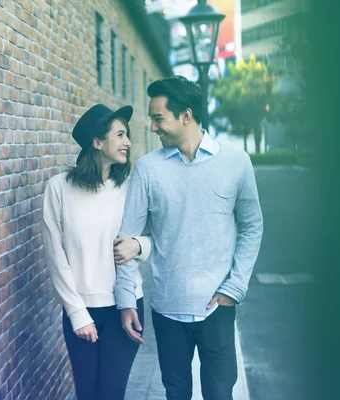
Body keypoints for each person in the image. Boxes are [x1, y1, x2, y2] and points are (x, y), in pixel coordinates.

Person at [115, 76, 263, 400]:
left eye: (158, 119)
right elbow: (126, 241)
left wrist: (235, 286)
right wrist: (126, 300)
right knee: (176, 393)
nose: (153, 128)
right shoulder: (147, 169)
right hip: (168, 310)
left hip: (217, 308)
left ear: (186, 115)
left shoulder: (236, 163)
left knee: (220, 393)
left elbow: (253, 226)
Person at [41, 104, 151, 400]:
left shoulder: (130, 189)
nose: (127, 142)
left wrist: (140, 246)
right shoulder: (58, 189)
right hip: (80, 309)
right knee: (87, 394)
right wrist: (77, 313)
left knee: (111, 394)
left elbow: (154, 238)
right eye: (120, 135)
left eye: (126, 135)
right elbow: (55, 256)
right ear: (97, 142)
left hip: (125, 307)